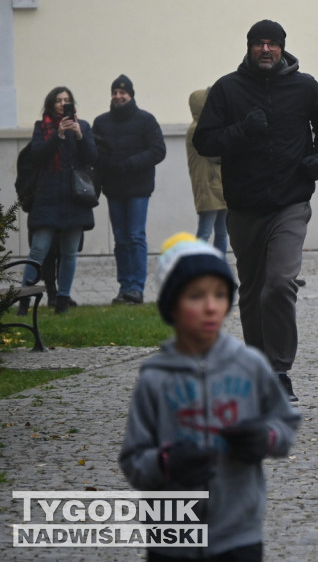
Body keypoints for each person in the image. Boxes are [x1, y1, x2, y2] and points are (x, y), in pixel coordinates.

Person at [119, 233, 300, 562]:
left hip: (238, 534)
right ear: (172, 305)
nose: (211, 306)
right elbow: (133, 459)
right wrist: (165, 462)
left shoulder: (250, 366)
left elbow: (285, 426)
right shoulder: (156, 377)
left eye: (220, 294)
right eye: (196, 296)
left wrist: (264, 437)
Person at [193, 19, 318, 404]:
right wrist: (242, 129)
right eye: (258, 43)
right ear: (248, 47)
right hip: (244, 206)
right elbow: (205, 141)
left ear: (282, 48)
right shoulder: (228, 89)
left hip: (290, 203)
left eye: (272, 44)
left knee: (278, 284)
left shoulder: (304, 87)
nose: (265, 49)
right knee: (254, 291)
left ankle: (279, 370)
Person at [17, 87, 97, 315]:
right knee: (38, 250)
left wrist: (80, 136)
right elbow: (37, 155)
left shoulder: (84, 127)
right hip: (48, 196)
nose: (63, 104)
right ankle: (24, 299)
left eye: (67, 100)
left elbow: (92, 158)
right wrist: (58, 135)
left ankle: (63, 300)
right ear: (51, 104)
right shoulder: (41, 127)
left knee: (70, 252)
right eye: (59, 100)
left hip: (75, 197)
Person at [93, 74, 167, 304]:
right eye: (115, 92)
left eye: (123, 92)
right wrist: (108, 164)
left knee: (135, 237)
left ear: (131, 95)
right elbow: (95, 154)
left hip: (138, 189)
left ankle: (136, 288)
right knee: (120, 240)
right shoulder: (101, 122)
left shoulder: (146, 120)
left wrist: (129, 164)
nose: (118, 96)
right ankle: (124, 286)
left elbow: (158, 151)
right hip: (114, 189)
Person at [186, 87, 229, 255]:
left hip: (218, 186)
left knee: (222, 232)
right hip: (207, 186)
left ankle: (218, 266)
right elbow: (213, 152)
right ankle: (197, 267)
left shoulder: (205, 127)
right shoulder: (197, 130)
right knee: (205, 231)